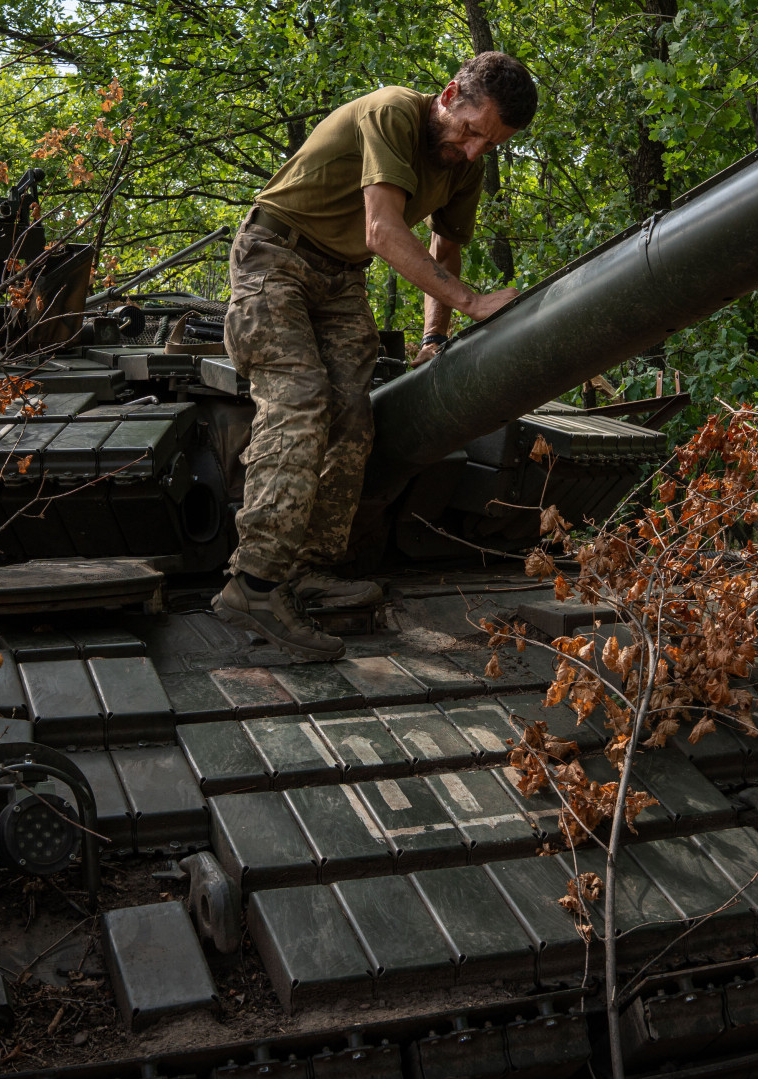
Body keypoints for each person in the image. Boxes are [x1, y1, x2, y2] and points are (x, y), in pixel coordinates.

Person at [211, 52, 538, 658]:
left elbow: (444, 245)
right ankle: (253, 586)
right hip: (274, 258)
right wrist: (471, 303)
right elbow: (384, 231)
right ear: (448, 95)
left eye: (487, 146)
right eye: (470, 131)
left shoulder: (462, 163)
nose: (471, 152)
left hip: (342, 279)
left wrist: (434, 339)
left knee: (355, 421)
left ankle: (308, 570)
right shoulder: (391, 112)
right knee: (301, 401)